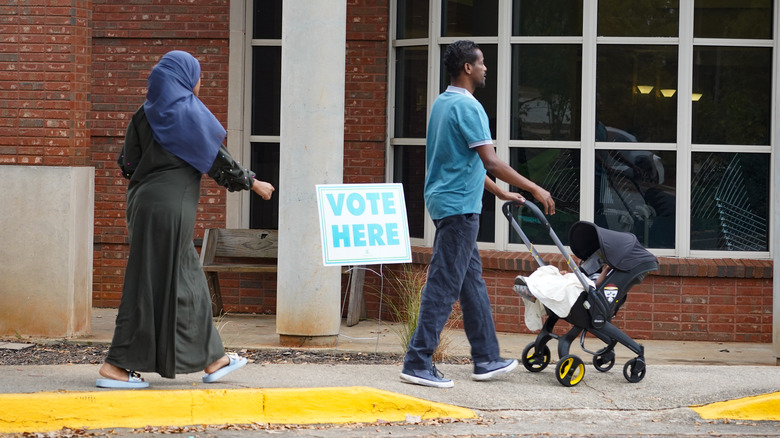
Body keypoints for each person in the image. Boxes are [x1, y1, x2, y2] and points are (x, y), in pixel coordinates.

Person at [96, 51, 275, 389]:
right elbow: (217, 161)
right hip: (170, 206)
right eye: (198, 76)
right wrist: (253, 182)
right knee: (156, 281)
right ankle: (117, 366)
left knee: (182, 281)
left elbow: (126, 164)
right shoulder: (186, 113)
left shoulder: (144, 113)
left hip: (142, 202)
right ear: (185, 77)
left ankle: (213, 358)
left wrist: (154, 169)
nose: (200, 82)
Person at [400, 40, 555, 388]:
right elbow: (491, 160)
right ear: (467, 68)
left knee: (472, 284)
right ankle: (417, 360)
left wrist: (499, 191)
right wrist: (534, 188)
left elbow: (462, 161)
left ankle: (486, 358)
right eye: (482, 62)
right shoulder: (469, 108)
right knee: (444, 285)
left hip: (448, 201)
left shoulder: (443, 103)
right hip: (459, 208)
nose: (486, 68)